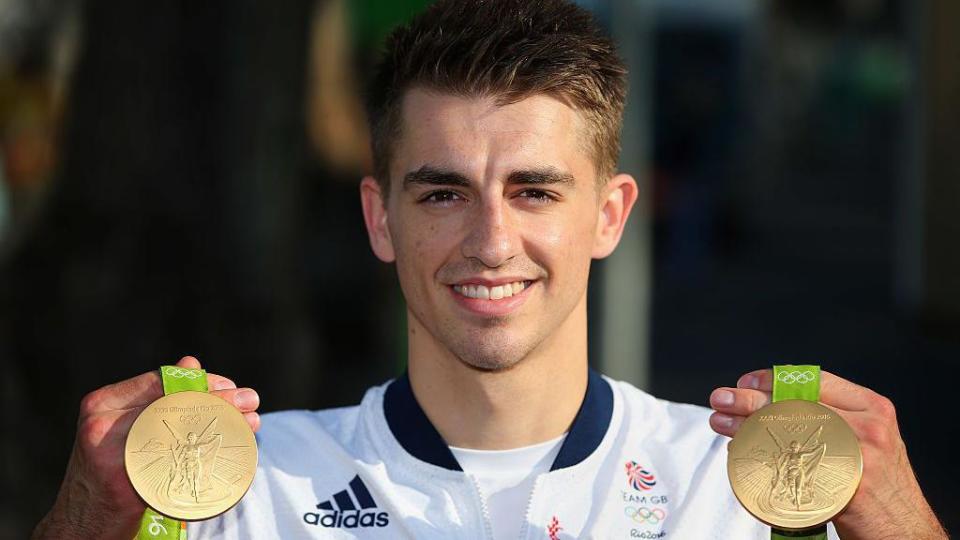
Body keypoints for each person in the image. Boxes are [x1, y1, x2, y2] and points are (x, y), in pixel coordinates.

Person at [33, 1, 947, 539]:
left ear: (610, 213)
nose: (491, 240)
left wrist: (903, 521)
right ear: (378, 218)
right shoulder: (241, 490)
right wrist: (84, 516)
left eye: (536, 191)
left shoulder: (746, 491)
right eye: (442, 195)